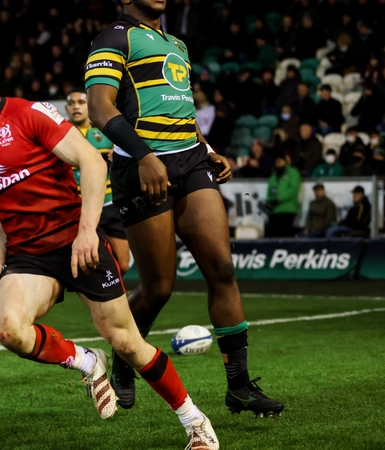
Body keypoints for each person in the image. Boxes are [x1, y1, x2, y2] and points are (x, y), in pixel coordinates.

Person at [0, 46, 219, 449]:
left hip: (76, 241)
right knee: (9, 330)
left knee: (126, 342)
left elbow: (93, 162)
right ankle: (87, 361)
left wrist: (87, 233)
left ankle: (195, 422)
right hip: (28, 256)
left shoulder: (30, 114)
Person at [86, 0, 283, 424]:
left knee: (223, 269)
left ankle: (239, 386)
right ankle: (124, 354)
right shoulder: (113, 38)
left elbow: (182, 108)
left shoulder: (176, 44)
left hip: (191, 161)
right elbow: (100, 107)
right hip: (141, 166)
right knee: (158, 288)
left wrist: (208, 149)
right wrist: (144, 156)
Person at [65, 89, 131, 273]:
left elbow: (130, 154)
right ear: (66, 108)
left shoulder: (106, 132)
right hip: (79, 208)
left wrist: (119, 152)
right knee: (89, 262)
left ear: (89, 106)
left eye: (81, 102)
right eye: (71, 103)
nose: (76, 107)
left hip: (110, 203)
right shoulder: (60, 136)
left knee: (123, 265)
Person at [265, 152, 302, 237]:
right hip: (274, 211)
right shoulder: (274, 176)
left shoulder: (293, 172)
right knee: (273, 236)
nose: (278, 163)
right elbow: (269, 191)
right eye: (276, 161)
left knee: (286, 235)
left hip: (288, 209)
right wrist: (268, 201)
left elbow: (294, 189)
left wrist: (279, 199)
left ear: (285, 161)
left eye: (280, 161)